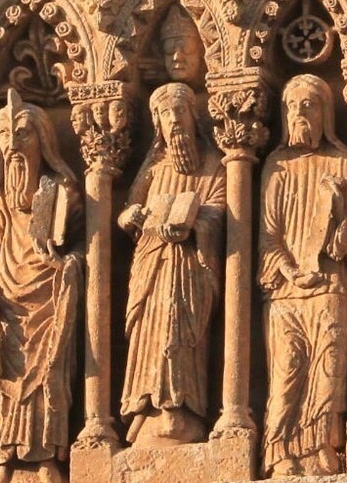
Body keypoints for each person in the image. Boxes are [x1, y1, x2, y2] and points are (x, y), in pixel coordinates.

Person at [0, 90, 82, 483]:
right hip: (7, 299)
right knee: (1, 375)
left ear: (43, 140)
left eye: (22, 134)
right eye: (4, 136)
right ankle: (6, 456)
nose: (13, 145)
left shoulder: (63, 191)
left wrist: (66, 264)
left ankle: (45, 457)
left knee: (49, 373)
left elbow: (85, 248)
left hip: (49, 297)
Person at [259, 74, 347, 476]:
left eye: (308, 105)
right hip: (286, 289)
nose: (299, 113)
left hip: (330, 284)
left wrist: (338, 211)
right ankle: (279, 450)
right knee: (287, 369)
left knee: (329, 365)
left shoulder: (342, 162)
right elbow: (268, 235)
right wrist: (288, 269)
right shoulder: (276, 167)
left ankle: (321, 446)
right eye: (292, 105)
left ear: (325, 114)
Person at [118, 83, 225, 446]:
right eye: (166, 114)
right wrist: (131, 217)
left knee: (178, 332)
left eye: (180, 111)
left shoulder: (213, 165)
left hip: (189, 267)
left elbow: (220, 210)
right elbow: (128, 210)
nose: (174, 120)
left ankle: (181, 411)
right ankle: (145, 409)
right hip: (151, 265)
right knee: (149, 333)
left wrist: (195, 222)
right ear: (158, 124)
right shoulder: (153, 168)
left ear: (194, 116)